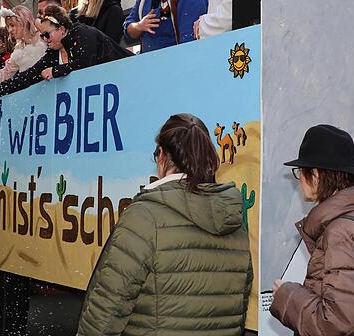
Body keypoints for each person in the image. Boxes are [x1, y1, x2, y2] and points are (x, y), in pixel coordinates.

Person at [77, 114, 252, 336]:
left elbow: (106, 311)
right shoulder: (235, 220)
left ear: (161, 155)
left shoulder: (144, 217)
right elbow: (239, 306)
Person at [270, 124, 354, 335]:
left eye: (300, 172)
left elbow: (339, 322)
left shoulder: (339, 232)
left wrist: (287, 295)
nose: (299, 181)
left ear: (315, 175)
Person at [0, 5, 133, 100]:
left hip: (130, 77)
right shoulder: (54, 49)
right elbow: (29, 75)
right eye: (42, 35)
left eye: (47, 34)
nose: (44, 39)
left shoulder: (82, 32)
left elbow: (85, 65)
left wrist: (55, 70)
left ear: (62, 29)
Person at [0, 6, 47, 97]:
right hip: (32, 94)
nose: (10, 30)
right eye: (8, 26)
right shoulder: (19, 48)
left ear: (24, 21)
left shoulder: (44, 37)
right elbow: (6, 72)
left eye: (12, 25)